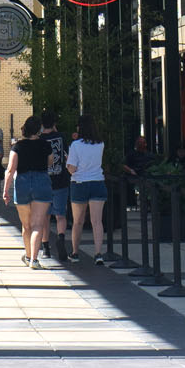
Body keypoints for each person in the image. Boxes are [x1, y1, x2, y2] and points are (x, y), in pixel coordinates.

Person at [2, 116, 53, 269]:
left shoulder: (17, 147)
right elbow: (50, 162)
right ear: (39, 130)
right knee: (38, 225)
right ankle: (34, 261)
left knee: (26, 225)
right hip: (42, 182)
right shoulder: (45, 145)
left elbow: (10, 170)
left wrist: (6, 191)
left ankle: (28, 255)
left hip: (22, 183)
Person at [66, 114, 106, 265]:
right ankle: (98, 253)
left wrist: (67, 164)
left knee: (78, 221)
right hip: (97, 182)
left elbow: (72, 169)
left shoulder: (75, 145)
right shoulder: (100, 143)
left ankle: (75, 252)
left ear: (80, 127)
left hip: (79, 183)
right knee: (97, 221)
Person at [39, 110, 70, 262]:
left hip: (44, 182)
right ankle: (61, 238)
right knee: (60, 215)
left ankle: (45, 247)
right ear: (54, 123)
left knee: (45, 215)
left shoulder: (38, 139)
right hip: (61, 180)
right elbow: (67, 156)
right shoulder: (62, 137)